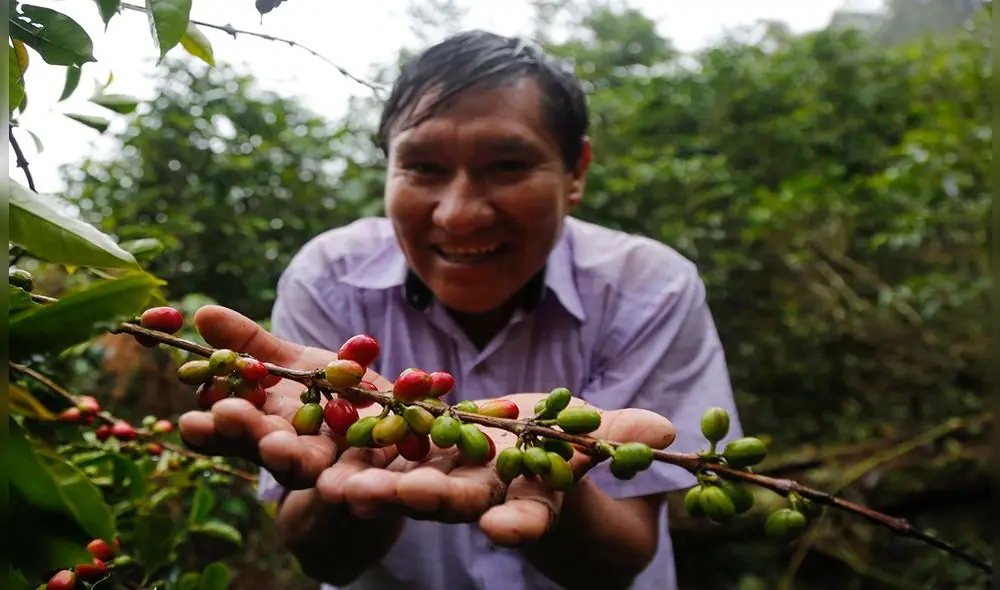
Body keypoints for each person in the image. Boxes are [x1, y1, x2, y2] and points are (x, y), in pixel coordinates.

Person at [179, 30, 743, 590]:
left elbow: (617, 561)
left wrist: (552, 473)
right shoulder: (329, 278)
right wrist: (361, 459)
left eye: (506, 166)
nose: (458, 215)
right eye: (422, 167)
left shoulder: (647, 288)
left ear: (576, 173)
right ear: (388, 169)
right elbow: (323, 558)